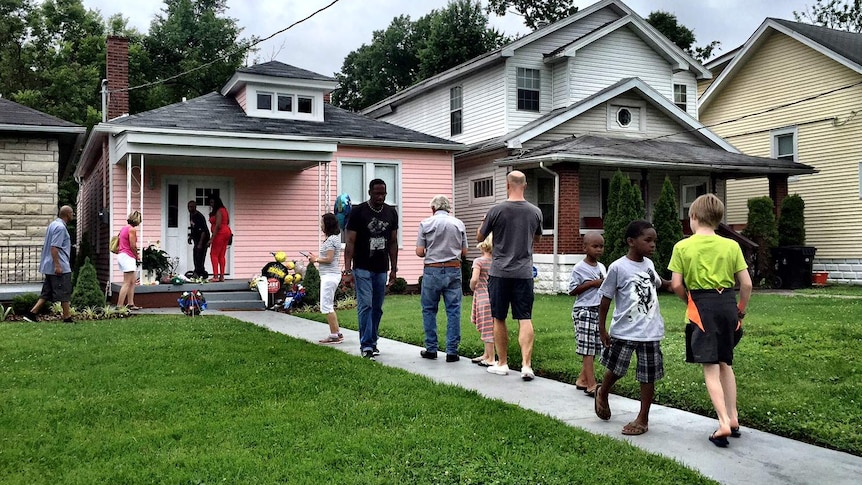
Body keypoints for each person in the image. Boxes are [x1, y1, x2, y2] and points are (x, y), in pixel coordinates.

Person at [668, 194, 752, 447]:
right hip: (727, 304)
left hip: (701, 307)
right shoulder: (731, 246)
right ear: (718, 219)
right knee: (725, 362)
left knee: (710, 367)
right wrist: (740, 309)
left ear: (693, 217)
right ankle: (735, 418)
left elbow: (676, 284)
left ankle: (723, 423)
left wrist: (688, 301)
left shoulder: (683, 247)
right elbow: (746, 283)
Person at [594, 220, 670, 436]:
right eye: (648, 240)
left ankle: (643, 418)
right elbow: (605, 299)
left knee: (649, 375)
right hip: (625, 330)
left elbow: (659, 283)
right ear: (631, 242)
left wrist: (677, 284)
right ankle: (603, 391)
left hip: (650, 330)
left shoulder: (649, 265)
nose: (653, 245)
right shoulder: (618, 267)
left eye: (654, 240)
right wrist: (602, 328)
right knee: (616, 369)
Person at [476, 170, 543, 381]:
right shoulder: (535, 212)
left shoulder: (496, 210)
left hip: (499, 272)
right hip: (524, 273)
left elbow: (480, 235)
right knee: (525, 317)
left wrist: (485, 222)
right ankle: (526, 365)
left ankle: (502, 363)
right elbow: (537, 240)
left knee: (499, 317)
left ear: (507, 185)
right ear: (525, 186)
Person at [343, 179, 399, 360]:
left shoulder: (391, 212)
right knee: (365, 305)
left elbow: (393, 242)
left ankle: (373, 342)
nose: (380, 197)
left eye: (383, 193)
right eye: (377, 193)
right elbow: (350, 242)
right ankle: (366, 345)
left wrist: (394, 269)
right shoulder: (358, 212)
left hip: (381, 267)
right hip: (362, 266)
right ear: (370, 193)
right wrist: (347, 270)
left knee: (377, 307)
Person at [416, 195, 468, 362]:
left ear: (433, 209)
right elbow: (464, 252)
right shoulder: (459, 224)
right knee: (453, 310)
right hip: (454, 269)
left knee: (429, 309)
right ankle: (452, 351)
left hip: (432, 270)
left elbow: (419, 251)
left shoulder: (425, 223)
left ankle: (431, 348)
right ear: (448, 209)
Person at [568, 232, 606, 397]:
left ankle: (582, 380)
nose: (599, 250)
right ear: (585, 248)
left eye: (601, 246)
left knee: (596, 346)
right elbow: (571, 290)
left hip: (597, 310)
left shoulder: (602, 267)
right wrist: (592, 284)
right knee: (587, 349)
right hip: (584, 310)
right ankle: (591, 384)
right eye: (595, 246)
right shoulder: (579, 268)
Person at [24, 206, 75, 323]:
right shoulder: (61, 227)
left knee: (46, 293)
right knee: (64, 292)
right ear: (67, 214)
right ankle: (67, 318)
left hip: (49, 265)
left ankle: (31, 314)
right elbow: (54, 247)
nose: (73, 215)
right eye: (72, 213)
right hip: (59, 265)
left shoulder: (53, 224)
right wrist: (57, 265)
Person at [309, 213, 345, 344]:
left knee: (326, 306)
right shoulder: (332, 239)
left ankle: (334, 335)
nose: (320, 225)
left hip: (329, 276)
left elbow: (329, 259)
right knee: (328, 305)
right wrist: (316, 258)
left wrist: (316, 259)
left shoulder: (331, 240)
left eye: (322, 222)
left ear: (327, 224)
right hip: (329, 275)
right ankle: (337, 332)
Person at [470, 234, 495, 366]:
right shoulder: (495, 262)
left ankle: (491, 358)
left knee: (487, 328)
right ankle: (486, 354)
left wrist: (472, 286)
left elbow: (474, 279)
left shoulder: (478, 261)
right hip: (493, 297)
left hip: (482, 298)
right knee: (490, 326)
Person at [117, 211, 142, 310]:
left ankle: (131, 304)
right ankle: (119, 305)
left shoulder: (123, 228)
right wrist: (137, 255)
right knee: (127, 282)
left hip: (122, 255)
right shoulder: (132, 230)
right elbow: (132, 245)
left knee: (132, 281)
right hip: (128, 256)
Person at [207, 195, 232, 282]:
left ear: (216, 202)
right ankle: (221, 276)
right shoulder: (224, 210)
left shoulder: (218, 211)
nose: (211, 204)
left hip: (220, 233)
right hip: (226, 232)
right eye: (210, 203)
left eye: (212, 202)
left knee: (214, 254)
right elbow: (227, 221)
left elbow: (217, 225)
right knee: (221, 255)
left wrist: (211, 239)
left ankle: (215, 276)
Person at [187, 201, 210, 279]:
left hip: (203, 238)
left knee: (200, 256)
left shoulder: (199, 216)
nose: (190, 208)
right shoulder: (191, 215)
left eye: (192, 207)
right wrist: (190, 237)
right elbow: (193, 227)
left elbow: (203, 230)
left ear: (195, 207)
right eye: (189, 207)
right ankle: (198, 272)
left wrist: (200, 243)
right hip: (197, 239)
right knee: (196, 255)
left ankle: (201, 273)